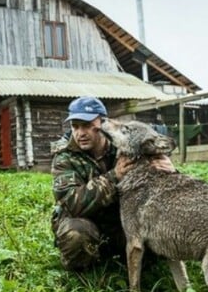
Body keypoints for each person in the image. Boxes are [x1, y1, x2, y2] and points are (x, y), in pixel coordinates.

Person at [50, 96, 176, 270]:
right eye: (75, 126)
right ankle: (85, 271)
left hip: (122, 222)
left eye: (86, 125)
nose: (80, 133)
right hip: (88, 222)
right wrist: (113, 176)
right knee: (76, 234)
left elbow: (161, 183)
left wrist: (170, 170)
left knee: (159, 226)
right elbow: (71, 203)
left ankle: (138, 261)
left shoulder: (126, 142)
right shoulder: (64, 157)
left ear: (102, 123)